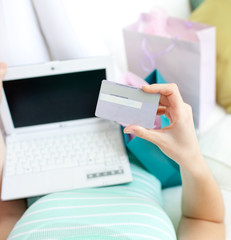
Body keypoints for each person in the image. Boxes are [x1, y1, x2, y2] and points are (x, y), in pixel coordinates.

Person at [0, 62, 225, 239]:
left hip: (48, 154)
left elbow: (8, 215)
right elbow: (205, 221)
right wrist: (190, 157)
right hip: (136, 154)